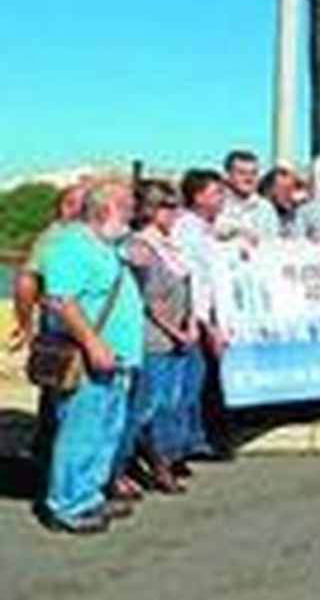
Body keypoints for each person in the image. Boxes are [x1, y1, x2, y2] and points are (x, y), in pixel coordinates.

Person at [36, 180, 144, 534]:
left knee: (104, 431)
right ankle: (67, 504)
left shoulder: (105, 245)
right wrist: (93, 343)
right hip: (90, 358)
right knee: (81, 431)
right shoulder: (70, 245)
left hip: (118, 359)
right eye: (127, 205)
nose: (133, 211)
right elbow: (60, 300)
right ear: (106, 208)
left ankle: (90, 495)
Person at [114, 181, 195, 497]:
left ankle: (159, 464)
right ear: (152, 209)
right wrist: (177, 331)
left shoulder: (168, 244)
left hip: (175, 338)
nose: (176, 213)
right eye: (169, 206)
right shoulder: (140, 246)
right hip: (154, 340)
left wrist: (188, 324)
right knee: (143, 408)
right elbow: (150, 299)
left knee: (166, 405)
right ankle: (116, 470)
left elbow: (185, 289)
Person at [11, 182, 90, 460]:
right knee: (61, 390)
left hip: (69, 321)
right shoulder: (55, 237)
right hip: (62, 323)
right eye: (84, 203)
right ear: (67, 206)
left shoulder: (79, 236)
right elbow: (25, 282)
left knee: (59, 391)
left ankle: (50, 455)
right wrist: (25, 324)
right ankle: (50, 460)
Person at [172, 169, 232, 463]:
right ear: (197, 197)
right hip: (194, 319)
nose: (222, 198)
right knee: (189, 386)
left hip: (209, 316)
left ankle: (194, 439)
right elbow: (191, 280)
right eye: (216, 193)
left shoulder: (206, 227)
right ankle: (180, 446)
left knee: (202, 383)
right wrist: (205, 323)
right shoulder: (186, 229)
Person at [216, 150, 279, 244]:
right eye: (242, 173)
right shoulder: (215, 203)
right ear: (227, 175)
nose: (249, 178)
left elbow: (272, 243)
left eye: (254, 173)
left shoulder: (265, 208)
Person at [259, 166, 305, 238]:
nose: (288, 193)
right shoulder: (264, 211)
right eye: (283, 188)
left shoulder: (301, 210)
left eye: (291, 188)